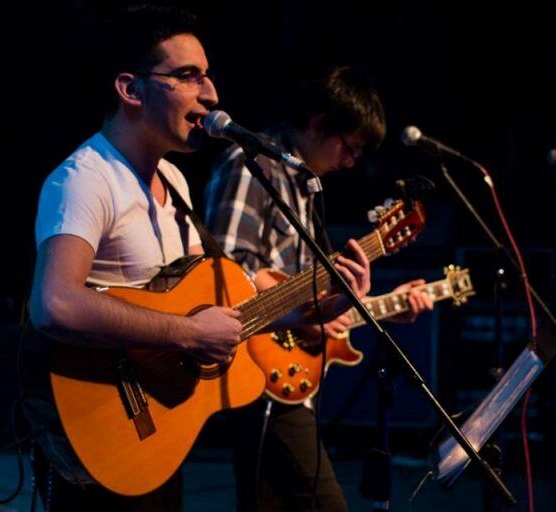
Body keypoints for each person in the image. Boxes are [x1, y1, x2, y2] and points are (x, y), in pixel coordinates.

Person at [23, 8, 370, 510]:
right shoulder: (86, 178)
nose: (210, 94)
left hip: (161, 431)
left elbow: (219, 311)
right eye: (188, 76)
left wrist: (313, 310)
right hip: (99, 433)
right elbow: (54, 305)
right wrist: (186, 333)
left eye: (207, 75)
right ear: (131, 89)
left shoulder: (176, 183)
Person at [205, 65, 434, 511]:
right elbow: (227, 272)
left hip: (290, 377)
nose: (351, 162)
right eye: (348, 147)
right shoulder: (251, 168)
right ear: (317, 124)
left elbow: (319, 303)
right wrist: (305, 304)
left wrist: (384, 306)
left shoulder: (305, 189)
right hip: (259, 372)